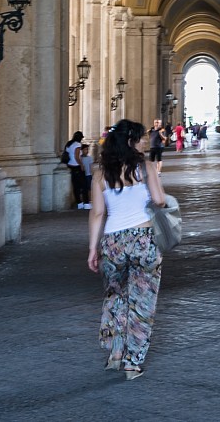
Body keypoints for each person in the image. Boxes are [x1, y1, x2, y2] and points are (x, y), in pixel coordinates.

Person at [87, 119, 168, 379]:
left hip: (112, 242)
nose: (144, 142)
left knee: (115, 296)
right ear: (131, 141)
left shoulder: (100, 173)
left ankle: (115, 354)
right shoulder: (146, 167)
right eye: (141, 138)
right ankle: (133, 363)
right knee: (142, 302)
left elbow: (97, 213)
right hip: (144, 239)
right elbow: (160, 200)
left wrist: (92, 249)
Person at [64, 130, 91, 210]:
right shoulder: (77, 144)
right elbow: (77, 156)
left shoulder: (69, 144)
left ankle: (79, 203)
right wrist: (81, 164)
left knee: (76, 185)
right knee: (84, 185)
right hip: (77, 166)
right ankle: (86, 203)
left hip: (70, 165)